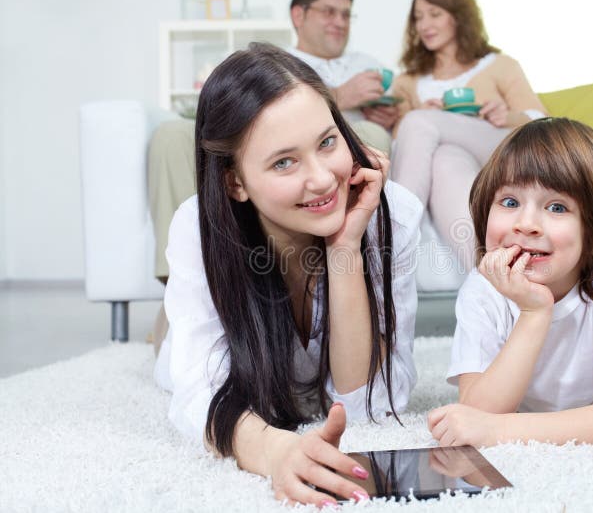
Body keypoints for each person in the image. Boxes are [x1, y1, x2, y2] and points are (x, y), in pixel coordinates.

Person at [153, 42, 423, 507]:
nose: (321, 179)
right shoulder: (197, 227)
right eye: (284, 162)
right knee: (167, 360)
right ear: (234, 181)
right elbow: (199, 395)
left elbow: (365, 406)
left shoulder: (392, 215)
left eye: (327, 142)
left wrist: (344, 251)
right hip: (209, 337)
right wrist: (276, 449)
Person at [427, 118, 593, 447]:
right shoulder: (484, 288)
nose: (526, 224)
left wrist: (500, 431)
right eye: (510, 202)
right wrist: (534, 312)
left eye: (557, 207)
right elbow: (476, 412)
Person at [148, 0, 396, 282]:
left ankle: (341, 271)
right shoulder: (272, 63)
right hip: (262, 143)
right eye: (329, 12)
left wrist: (395, 114)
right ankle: (182, 277)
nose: (339, 22)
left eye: (346, 15)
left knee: (373, 134)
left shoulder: (368, 64)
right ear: (298, 16)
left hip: (349, 137)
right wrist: (340, 97)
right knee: (172, 134)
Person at [390, 0, 549, 271]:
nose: (424, 24)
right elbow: (400, 143)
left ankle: (394, 232)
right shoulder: (407, 81)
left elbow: (541, 119)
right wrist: (424, 115)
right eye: (418, 17)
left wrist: (507, 115)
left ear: (458, 15)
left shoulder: (499, 64)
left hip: (495, 150)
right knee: (443, 158)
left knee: (420, 122)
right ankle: (487, 275)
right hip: (452, 159)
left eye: (434, 14)